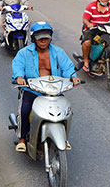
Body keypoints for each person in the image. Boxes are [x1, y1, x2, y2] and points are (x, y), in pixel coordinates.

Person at [12, 22, 81, 152]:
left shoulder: (58, 52)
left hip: (53, 90)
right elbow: (18, 66)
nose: (43, 40)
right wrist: (19, 77)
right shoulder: (24, 53)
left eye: (46, 37)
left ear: (50, 37)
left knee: (66, 112)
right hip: (32, 89)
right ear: (33, 39)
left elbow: (67, 67)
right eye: (40, 38)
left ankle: (64, 138)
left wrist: (73, 77)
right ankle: (21, 139)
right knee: (24, 111)